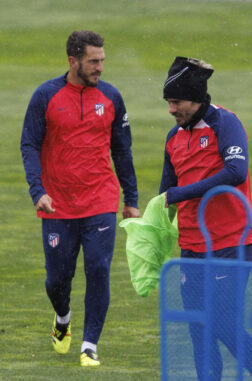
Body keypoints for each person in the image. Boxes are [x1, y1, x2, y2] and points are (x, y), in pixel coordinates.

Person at [20, 30, 140, 367]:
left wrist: (130, 197)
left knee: (99, 269)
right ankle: (62, 318)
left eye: (102, 60)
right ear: (73, 61)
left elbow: (123, 151)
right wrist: (37, 190)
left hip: (101, 200)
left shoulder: (112, 97)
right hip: (57, 203)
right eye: (93, 61)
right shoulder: (46, 96)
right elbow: (29, 144)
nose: (100, 67)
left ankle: (89, 344)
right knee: (57, 280)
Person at [158, 57, 252, 381]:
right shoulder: (173, 139)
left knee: (222, 320)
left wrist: (183, 195)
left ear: (195, 99)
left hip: (230, 243)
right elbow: (166, 191)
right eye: (168, 102)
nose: (171, 109)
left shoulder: (226, 123)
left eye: (175, 102)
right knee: (199, 327)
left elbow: (236, 171)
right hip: (192, 248)